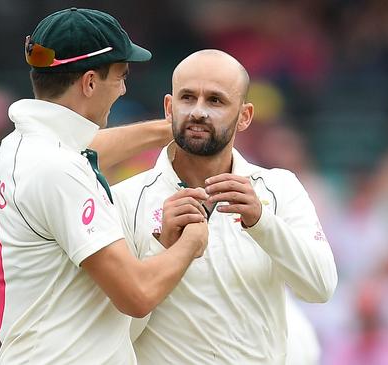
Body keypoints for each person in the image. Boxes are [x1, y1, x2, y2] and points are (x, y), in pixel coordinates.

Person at [0, 8, 209, 364]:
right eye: (120, 77)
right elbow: (137, 295)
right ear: (90, 82)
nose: (123, 89)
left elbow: (87, 152)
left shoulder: (23, 144)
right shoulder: (57, 169)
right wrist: (190, 243)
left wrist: (170, 129)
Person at [113, 49, 337, 364]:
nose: (198, 112)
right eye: (187, 98)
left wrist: (262, 222)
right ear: (169, 107)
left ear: (244, 116)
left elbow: (320, 287)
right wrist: (162, 250)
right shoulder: (125, 199)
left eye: (215, 100)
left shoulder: (279, 187)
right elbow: (116, 334)